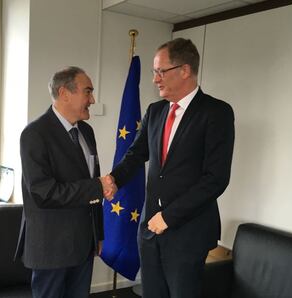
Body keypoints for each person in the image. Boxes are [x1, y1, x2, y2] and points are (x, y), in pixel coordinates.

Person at [109, 38, 235, 298]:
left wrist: (169, 216)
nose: (155, 79)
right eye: (155, 72)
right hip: (150, 231)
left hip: (188, 232)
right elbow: (135, 154)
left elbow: (216, 178)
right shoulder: (155, 111)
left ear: (185, 70)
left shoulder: (216, 112)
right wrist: (112, 180)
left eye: (160, 71)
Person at [15, 66, 116, 298]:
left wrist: (97, 233)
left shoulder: (87, 132)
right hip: (51, 247)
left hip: (83, 244)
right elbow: (43, 193)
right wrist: (98, 186)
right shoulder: (34, 134)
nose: (92, 99)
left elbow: (92, 185)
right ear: (64, 93)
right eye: (87, 92)